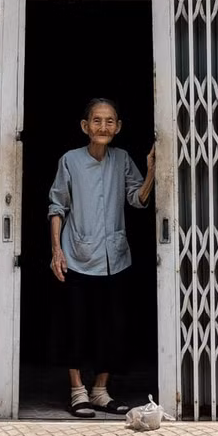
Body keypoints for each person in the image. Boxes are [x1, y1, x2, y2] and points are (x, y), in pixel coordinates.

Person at [47, 98, 155, 418]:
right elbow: (57, 208)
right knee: (76, 325)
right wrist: (56, 251)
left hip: (115, 258)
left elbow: (137, 199)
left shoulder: (122, 159)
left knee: (112, 327)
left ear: (118, 127)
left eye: (110, 121)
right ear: (85, 126)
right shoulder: (70, 160)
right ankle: (78, 391)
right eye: (97, 121)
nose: (103, 127)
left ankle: (100, 392)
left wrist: (151, 171)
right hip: (77, 256)